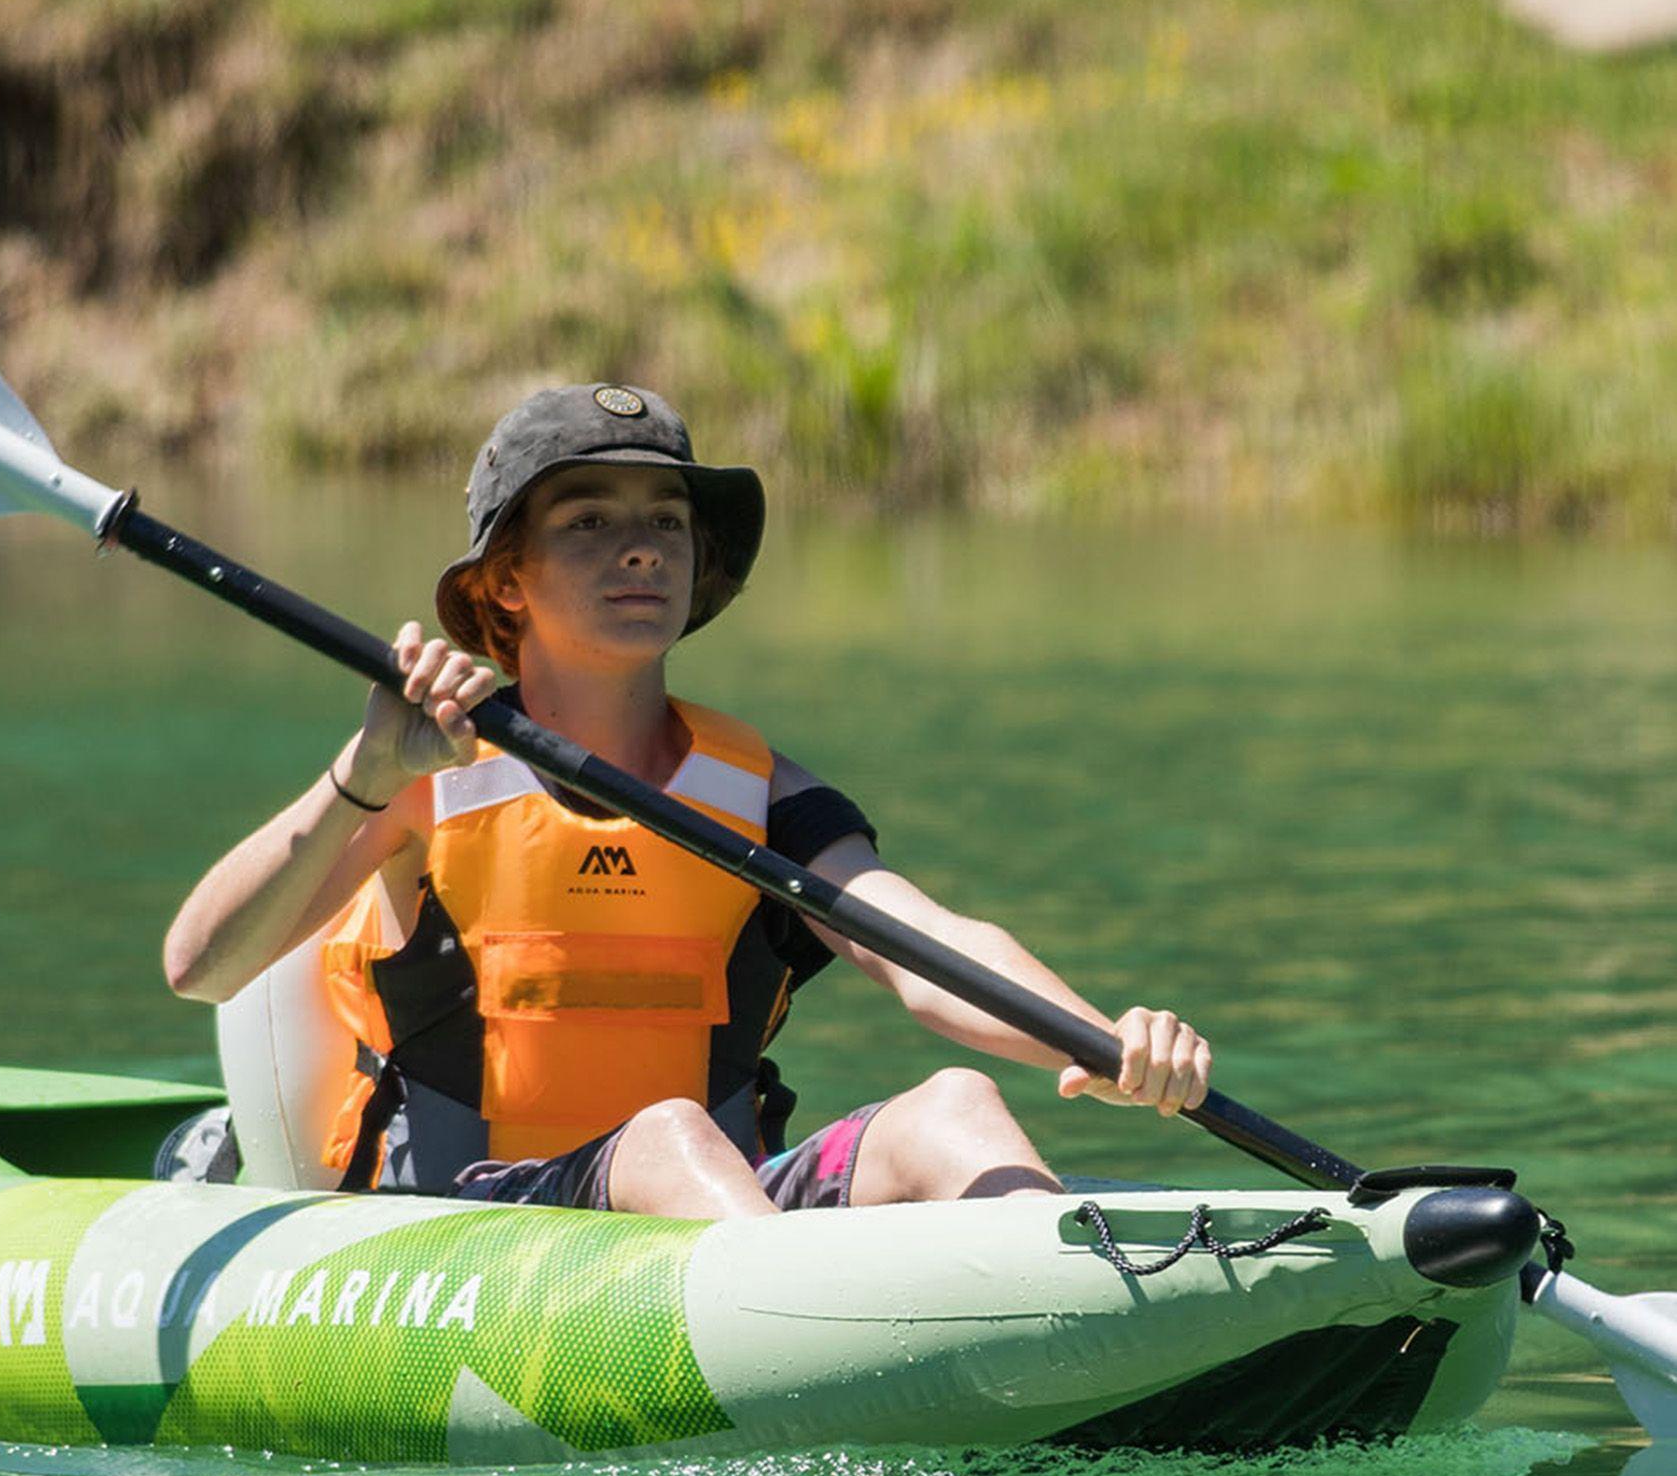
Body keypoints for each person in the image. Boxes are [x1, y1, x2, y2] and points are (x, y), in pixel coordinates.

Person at [163, 385, 1210, 1214]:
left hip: (721, 1212)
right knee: (665, 1138)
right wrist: (364, 779)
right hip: (475, 1226)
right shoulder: (422, 769)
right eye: (587, 522)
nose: (641, 547)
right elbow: (200, 967)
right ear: (504, 584)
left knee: (954, 1109)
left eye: (666, 520)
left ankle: (1066, 1314)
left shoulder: (756, 790)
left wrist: (1103, 1045)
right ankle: (817, 1346)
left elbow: (924, 949)